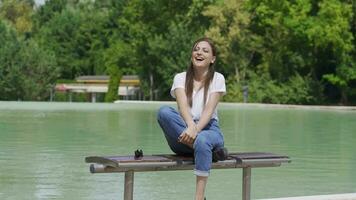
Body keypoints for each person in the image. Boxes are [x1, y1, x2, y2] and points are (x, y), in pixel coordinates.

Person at [157, 37, 227, 200]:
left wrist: (196, 129)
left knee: (202, 139)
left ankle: (199, 197)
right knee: (164, 112)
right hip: (183, 134)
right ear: (191, 54)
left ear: (212, 59)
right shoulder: (180, 77)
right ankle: (209, 152)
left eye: (205, 50)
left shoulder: (218, 78)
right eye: (196, 49)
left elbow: (209, 110)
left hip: (209, 129)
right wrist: (190, 126)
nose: (199, 52)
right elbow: (182, 107)